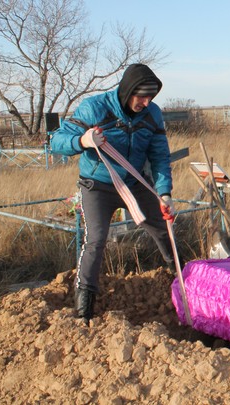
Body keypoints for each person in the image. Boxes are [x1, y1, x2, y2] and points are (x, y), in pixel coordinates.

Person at [51, 63, 175, 324]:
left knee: (163, 228)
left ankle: (180, 278)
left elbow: (160, 155)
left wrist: (164, 193)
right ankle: (85, 305)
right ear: (127, 90)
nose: (145, 102)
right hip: (97, 185)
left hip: (135, 181)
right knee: (96, 238)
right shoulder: (94, 108)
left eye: (150, 97)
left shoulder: (152, 114)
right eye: (140, 96)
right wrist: (82, 141)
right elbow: (57, 142)